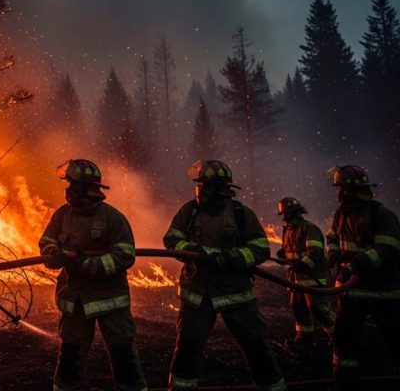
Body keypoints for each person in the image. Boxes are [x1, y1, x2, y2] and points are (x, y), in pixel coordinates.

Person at [163, 160, 286, 391]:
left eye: (202, 186)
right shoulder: (188, 211)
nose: (199, 191)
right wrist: (191, 251)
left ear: (210, 188)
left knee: (257, 348)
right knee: (187, 349)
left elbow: (260, 248)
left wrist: (231, 258)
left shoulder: (241, 214)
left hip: (236, 293)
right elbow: (171, 239)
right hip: (197, 294)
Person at [39, 159, 147, 391]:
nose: (68, 191)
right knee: (70, 360)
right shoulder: (62, 215)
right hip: (75, 302)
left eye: (73, 187)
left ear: (89, 189)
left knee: (124, 358)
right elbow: (47, 241)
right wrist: (52, 254)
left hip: (111, 302)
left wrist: (87, 264)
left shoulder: (112, 218)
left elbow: (124, 256)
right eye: (68, 186)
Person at [323, 165, 400, 389]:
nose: (339, 194)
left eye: (342, 189)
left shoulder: (380, 214)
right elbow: (332, 237)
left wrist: (357, 264)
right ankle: (344, 381)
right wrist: (333, 252)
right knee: (344, 340)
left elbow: (388, 248)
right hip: (351, 291)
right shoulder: (341, 214)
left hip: (382, 291)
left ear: (352, 190)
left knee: (395, 338)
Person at [275, 196, 334, 345]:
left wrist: (303, 264)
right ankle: (304, 337)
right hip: (296, 280)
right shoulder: (288, 231)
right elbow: (293, 252)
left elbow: (315, 251)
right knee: (299, 309)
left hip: (313, 278)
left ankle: (338, 336)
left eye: (286, 214)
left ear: (295, 213)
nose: (284, 218)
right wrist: (284, 253)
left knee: (319, 310)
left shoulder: (309, 228)